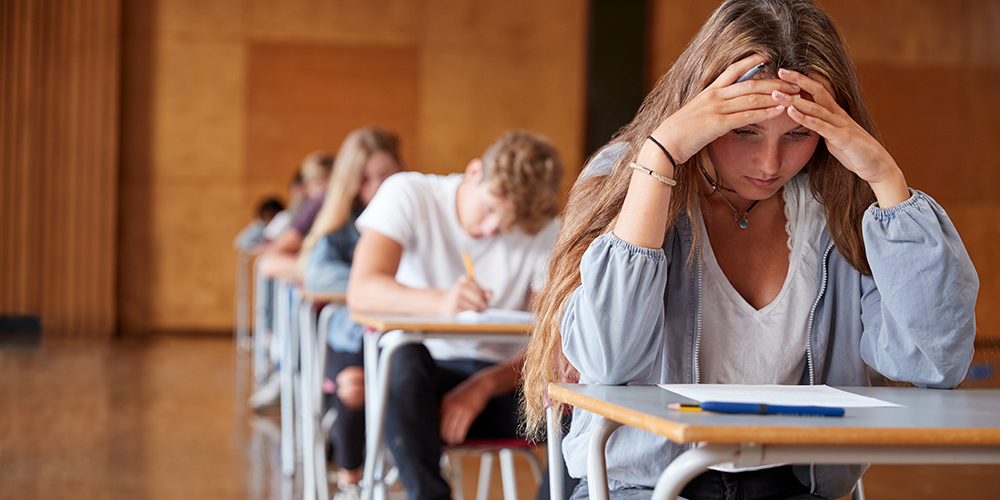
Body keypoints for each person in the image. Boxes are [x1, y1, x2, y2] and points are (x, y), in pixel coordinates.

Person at [521, 1, 979, 500]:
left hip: (792, 484)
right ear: (700, 110)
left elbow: (935, 361)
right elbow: (609, 360)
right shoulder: (627, 180)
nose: (770, 162)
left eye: (799, 134)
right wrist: (661, 155)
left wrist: (887, 180)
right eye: (744, 130)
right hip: (644, 484)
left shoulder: (841, 203)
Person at [347, 130, 564, 500]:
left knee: (576, 408)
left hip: (501, 381)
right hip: (421, 384)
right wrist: (441, 301)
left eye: (513, 222)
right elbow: (361, 292)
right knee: (403, 358)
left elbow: (549, 344)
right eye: (492, 207)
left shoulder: (544, 226)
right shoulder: (410, 194)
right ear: (474, 171)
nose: (495, 228)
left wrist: (481, 388)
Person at [298, 127, 403, 498]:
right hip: (352, 336)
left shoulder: (412, 216)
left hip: (401, 333)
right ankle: (350, 482)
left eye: (386, 175)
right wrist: (380, 283)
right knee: (355, 382)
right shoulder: (340, 229)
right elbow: (317, 274)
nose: (377, 187)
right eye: (366, 178)